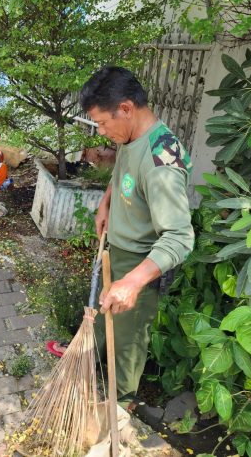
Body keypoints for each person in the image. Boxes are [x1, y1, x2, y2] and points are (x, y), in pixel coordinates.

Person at [79, 66, 194, 409]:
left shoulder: (162, 160)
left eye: (102, 122)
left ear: (126, 108)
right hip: (118, 248)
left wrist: (132, 282)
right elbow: (122, 170)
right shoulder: (130, 137)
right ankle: (87, 362)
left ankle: (121, 404)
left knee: (128, 340)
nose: (101, 131)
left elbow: (179, 237)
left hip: (140, 264)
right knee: (103, 314)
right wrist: (105, 202)